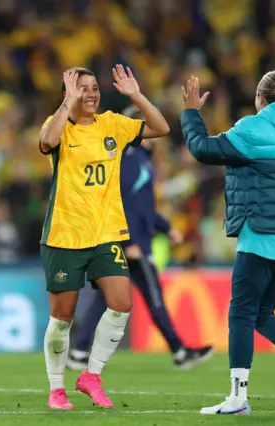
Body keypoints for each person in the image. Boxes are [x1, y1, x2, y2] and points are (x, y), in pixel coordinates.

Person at [180, 57, 275, 415]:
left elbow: (203, 149)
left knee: (241, 312)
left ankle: (237, 398)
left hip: (263, 230)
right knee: (262, 313)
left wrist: (190, 114)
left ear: (261, 99)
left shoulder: (252, 129)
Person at [38, 65, 170, 410]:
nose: (92, 94)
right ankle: (56, 389)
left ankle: (91, 376)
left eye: (95, 87)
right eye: (84, 88)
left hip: (106, 233)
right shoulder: (60, 127)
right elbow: (46, 142)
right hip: (64, 235)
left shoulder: (113, 124)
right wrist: (68, 102)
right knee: (62, 318)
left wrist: (135, 95)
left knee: (121, 303)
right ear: (69, 93)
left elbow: (161, 127)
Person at [66, 105, 214, 372]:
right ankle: (179, 351)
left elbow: (142, 206)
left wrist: (165, 227)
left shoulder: (136, 159)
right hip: (132, 244)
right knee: (153, 295)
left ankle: (78, 351)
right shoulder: (131, 159)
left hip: (129, 239)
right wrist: (128, 241)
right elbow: (120, 202)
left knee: (105, 298)